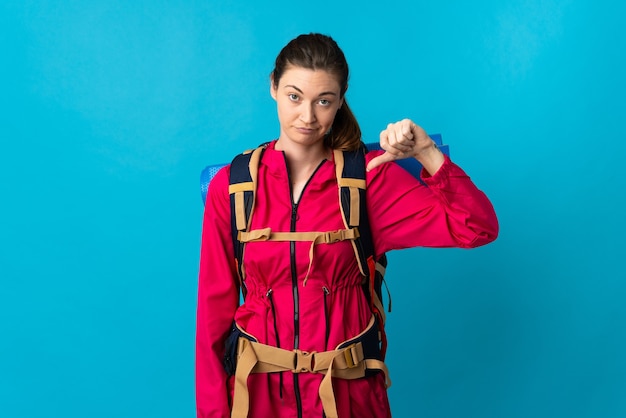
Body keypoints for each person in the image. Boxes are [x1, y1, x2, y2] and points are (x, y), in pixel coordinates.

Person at [196, 33, 499, 418]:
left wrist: (426, 153)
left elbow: (476, 227)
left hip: (350, 398)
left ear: (340, 100)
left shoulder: (370, 180)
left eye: (323, 101)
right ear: (272, 86)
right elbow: (212, 316)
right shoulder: (233, 186)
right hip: (258, 399)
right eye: (294, 96)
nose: (308, 116)